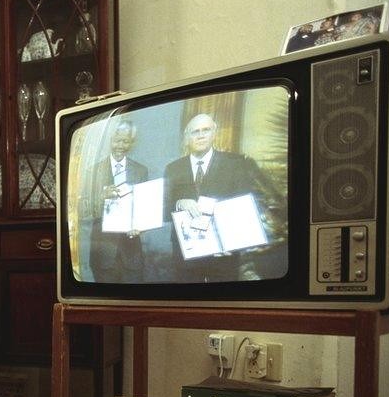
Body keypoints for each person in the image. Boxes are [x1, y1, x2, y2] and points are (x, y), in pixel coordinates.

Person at [164, 113, 262, 282]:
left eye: (206, 130)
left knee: (223, 304)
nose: (201, 135)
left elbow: (245, 209)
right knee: (187, 305)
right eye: (195, 132)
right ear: (187, 137)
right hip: (186, 254)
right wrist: (179, 203)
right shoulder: (173, 168)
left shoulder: (235, 164)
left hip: (224, 252)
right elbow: (163, 211)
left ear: (215, 133)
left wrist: (234, 242)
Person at [86, 119, 149, 282]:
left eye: (125, 141)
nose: (120, 145)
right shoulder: (93, 171)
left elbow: (145, 208)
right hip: (103, 253)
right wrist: (101, 196)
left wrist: (141, 226)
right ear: (109, 141)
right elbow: (81, 209)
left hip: (132, 253)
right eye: (117, 140)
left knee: (134, 305)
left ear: (132, 143)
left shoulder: (141, 170)